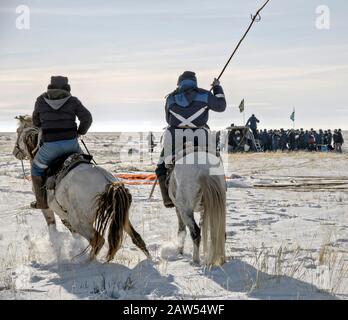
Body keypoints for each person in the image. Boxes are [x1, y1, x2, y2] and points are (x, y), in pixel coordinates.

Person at [155, 71, 226, 208]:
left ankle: (167, 198)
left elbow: (168, 119)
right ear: (195, 82)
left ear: (179, 83)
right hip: (201, 137)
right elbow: (221, 106)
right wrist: (217, 87)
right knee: (217, 162)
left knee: (161, 167)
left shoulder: (170, 98)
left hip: (175, 138)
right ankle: (222, 190)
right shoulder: (205, 95)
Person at [31, 76, 92, 209]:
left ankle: (42, 202)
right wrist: (80, 132)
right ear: (67, 88)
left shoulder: (41, 100)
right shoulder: (73, 100)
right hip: (71, 145)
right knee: (86, 165)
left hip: (50, 147)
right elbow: (87, 118)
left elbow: (35, 121)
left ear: (50, 86)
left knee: (36, 169)